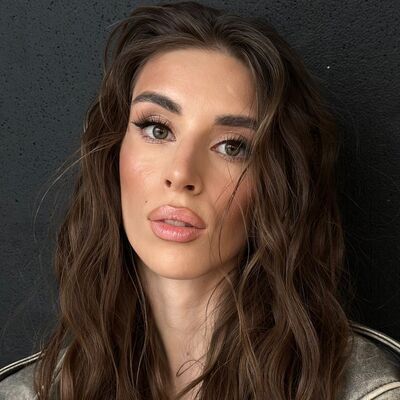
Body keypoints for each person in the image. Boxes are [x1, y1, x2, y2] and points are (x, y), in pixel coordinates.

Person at [0, 1, 399, 399]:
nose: (182, 174)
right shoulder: (26, 394)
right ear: (113, 151)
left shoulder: (367, 392)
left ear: (278, 182)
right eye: (157, 129)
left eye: (232, 146)